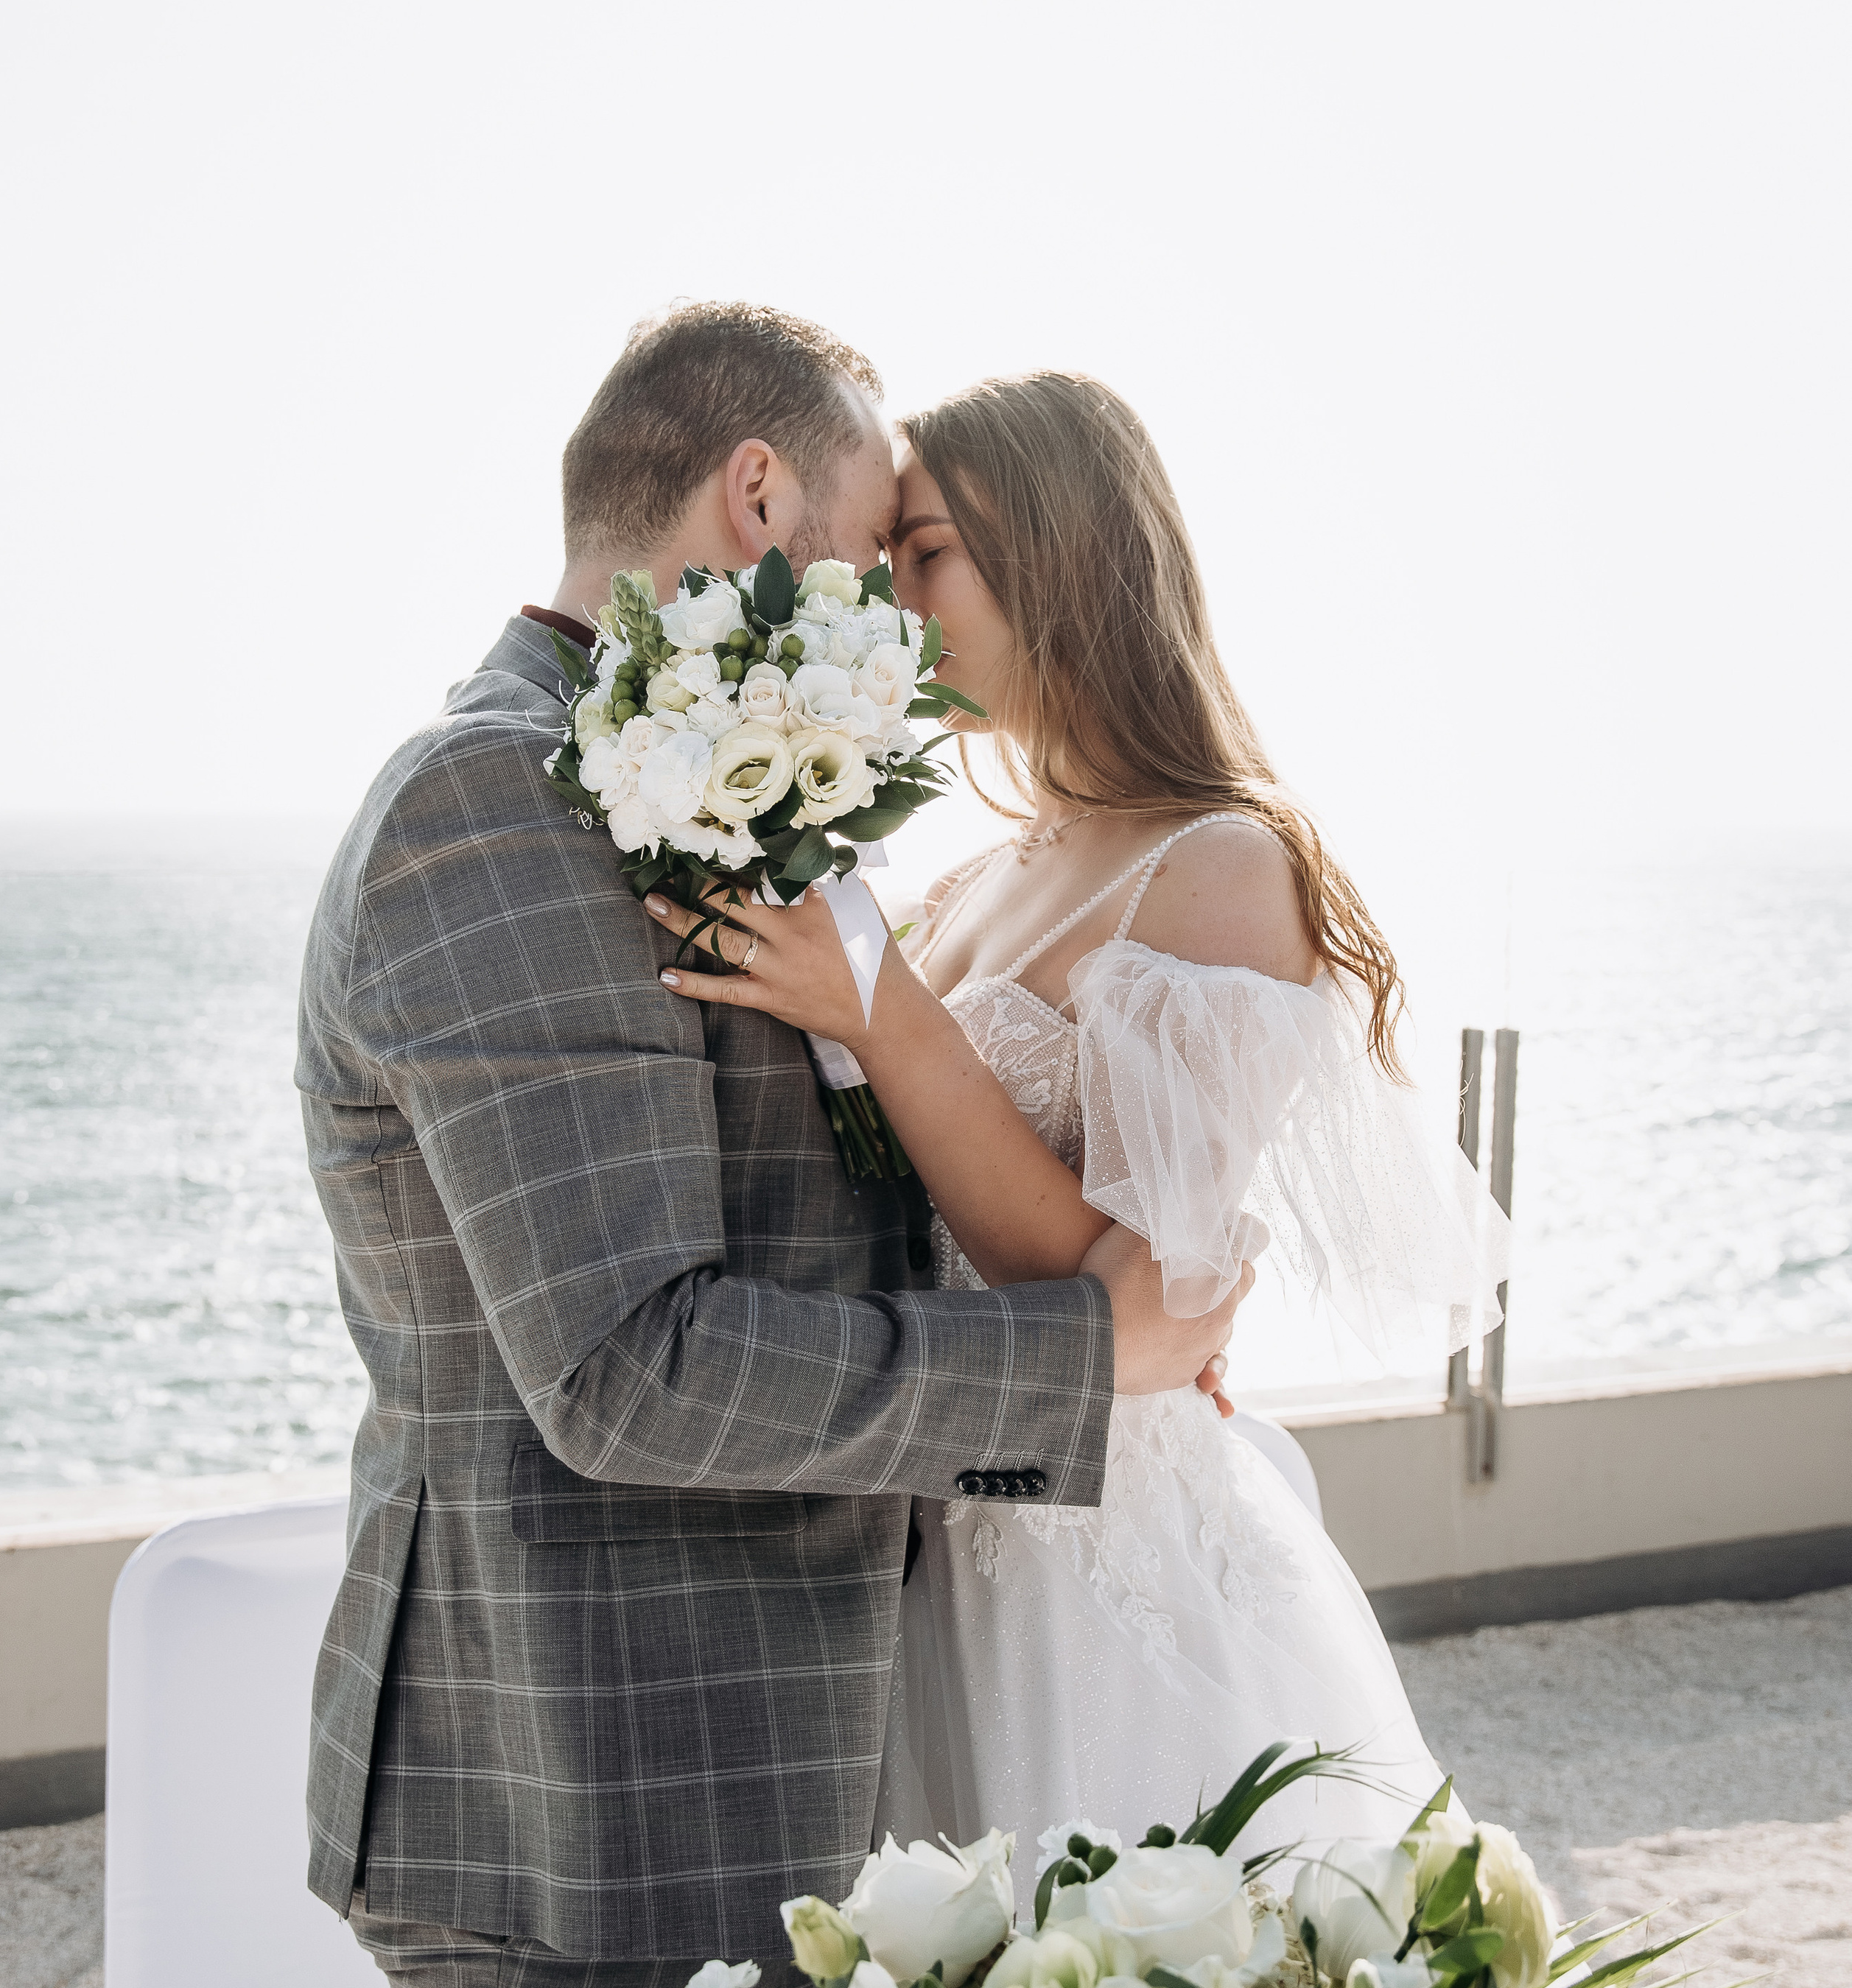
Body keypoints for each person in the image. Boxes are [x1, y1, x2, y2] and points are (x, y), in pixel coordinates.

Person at [295, 309, 1249, 1988]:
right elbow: (630, 1367)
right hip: (589, 1811)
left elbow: (819, 1207)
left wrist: (1082, 1250)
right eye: (870, 552)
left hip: (767, 1767)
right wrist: (1091, 1355)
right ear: (754, 496)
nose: (889, 633)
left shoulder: (669, 795)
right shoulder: (495, 807)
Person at [647, 368, 1512, 1892]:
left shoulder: (1220, 867)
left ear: (1053, 555)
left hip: (1100, 1567)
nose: (888, 599)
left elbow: (1114, 1304)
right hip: (930, 1521)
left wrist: (885, 1015)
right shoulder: (974, 877)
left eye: (924, 552)